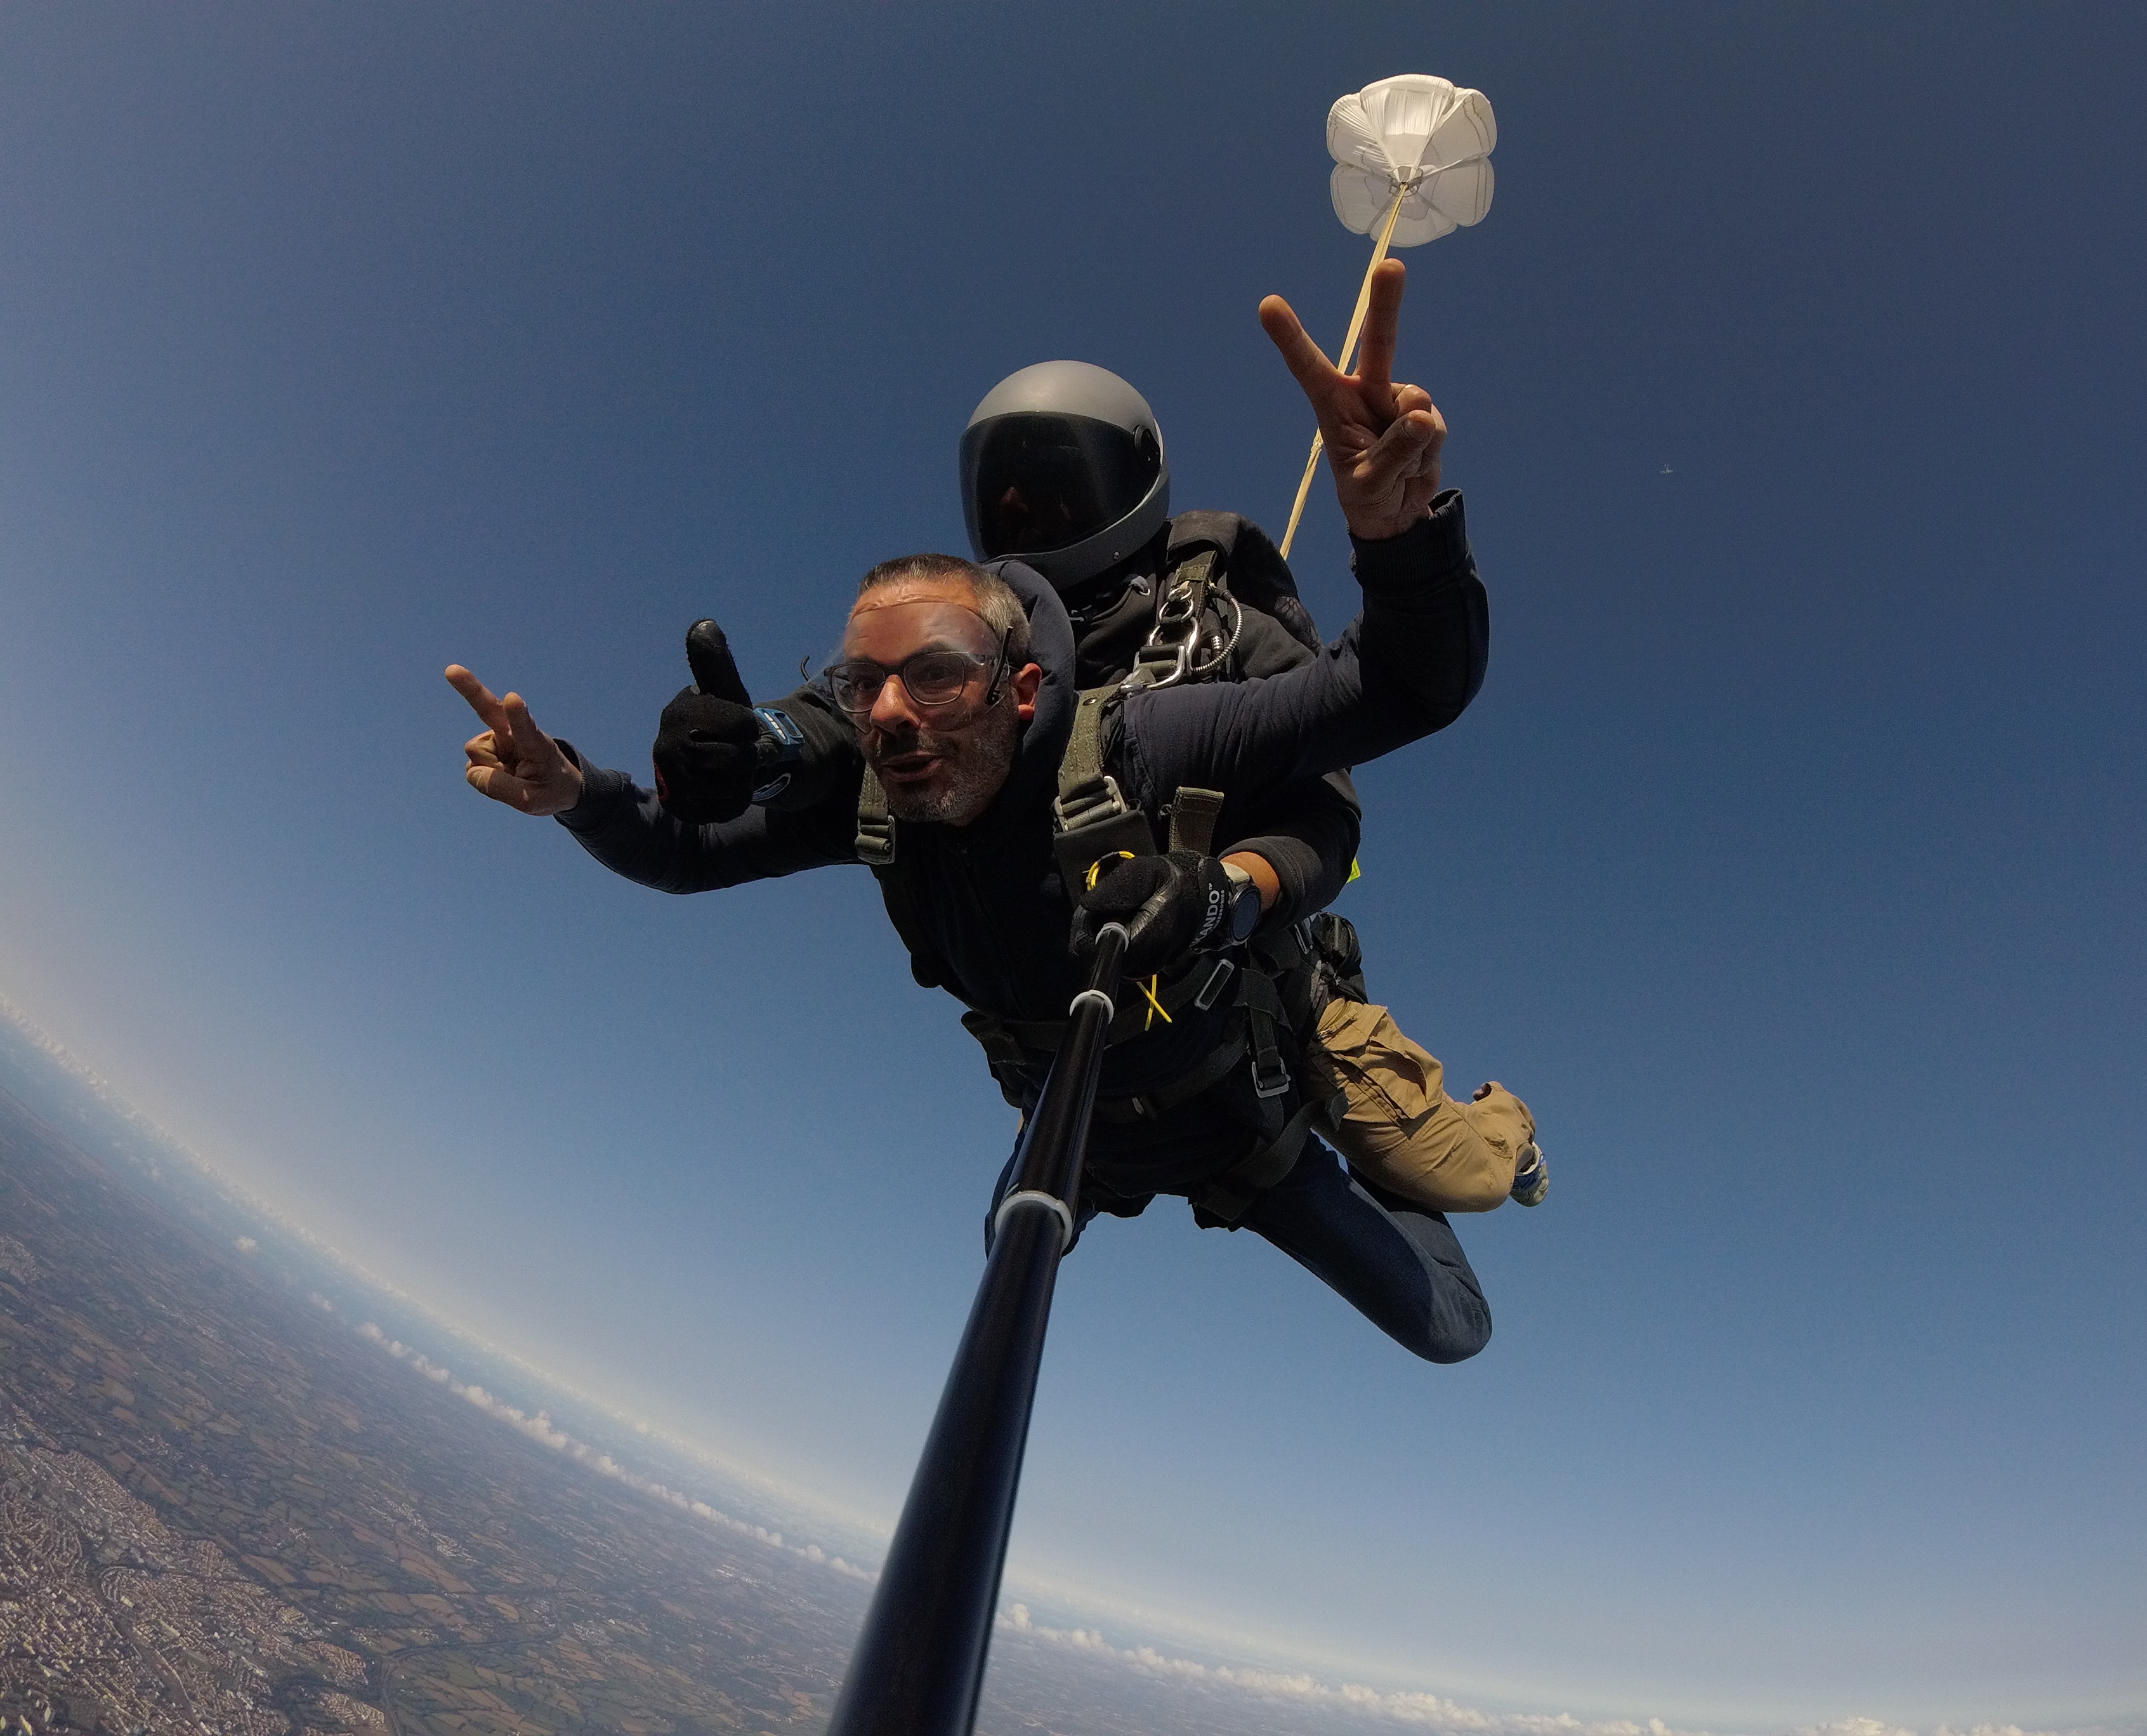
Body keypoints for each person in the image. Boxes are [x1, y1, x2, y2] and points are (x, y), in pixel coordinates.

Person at [449, 264, 1499, 1363]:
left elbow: (1391, 698)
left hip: (1245, 1111)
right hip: (1079, 1112)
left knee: (1453, 1328)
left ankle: (1405, 1128)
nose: (893, 717)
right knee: (1012, 1247)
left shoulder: (1156, 716)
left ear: (1022, 687)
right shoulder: (890, 776)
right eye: (865, 690)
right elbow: (696, 839)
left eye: (938, 679)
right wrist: (598, 788)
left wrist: (1402, 545)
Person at [956, 352, 1544, 1216]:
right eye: (995, 480)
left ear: (1122, 482)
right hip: (1099, 1023)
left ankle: (1509, 1126)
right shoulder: (973, 661)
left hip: (1268, 983)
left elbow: (1332, 809)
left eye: (1047, 472)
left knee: (1467, 1180)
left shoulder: (1220, 631)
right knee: (1017, 1225)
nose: (1014, 498)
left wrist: (1230, 890)